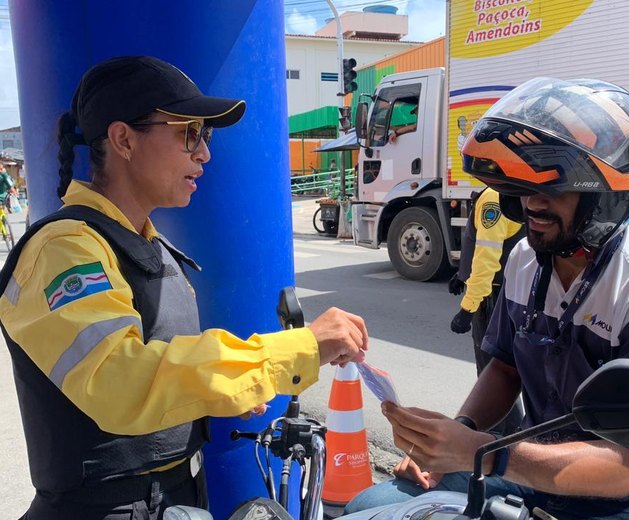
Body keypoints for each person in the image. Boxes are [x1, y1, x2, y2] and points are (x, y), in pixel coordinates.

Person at [0, 55, 369, 520]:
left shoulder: (144, 243)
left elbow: (164, 364)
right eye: (188, 133)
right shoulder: (65, 249)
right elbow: (120, 381)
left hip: (175, 496)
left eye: (206, 136)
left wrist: (226, 389)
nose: (204, 153)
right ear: (123, 139)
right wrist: (293, 351)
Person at [346, 78, 629, 519]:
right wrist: (454, 438)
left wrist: (483, 453)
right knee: (372, 505)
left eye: (553, 190)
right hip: (532, 469)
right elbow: (504, 367)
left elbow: (625, 468)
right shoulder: (524, 258)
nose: (532, 205)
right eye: (524, 190)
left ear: (607, 198)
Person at [448, 186, 524, 435]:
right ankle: (510, 436)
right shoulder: (496, 193)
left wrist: (467, 309)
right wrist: (462, 275)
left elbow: (487, 258)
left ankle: (499, 443)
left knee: (493, 376)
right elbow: (482, 246)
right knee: (501, 373)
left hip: (492, 297)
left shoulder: (493, 198)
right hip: (501, 291)